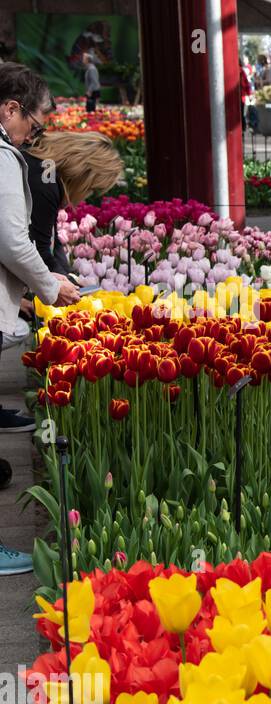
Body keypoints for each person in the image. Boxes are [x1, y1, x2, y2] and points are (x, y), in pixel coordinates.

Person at [0, 63, 80, 575]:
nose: (36, 133)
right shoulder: (3, 158)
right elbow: (10, 238)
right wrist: (51, 285)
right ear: (10, 109)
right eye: (34, 120)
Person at [24, 131, 123, 274]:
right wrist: (69, 287)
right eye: (91, 189)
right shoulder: (45, 184)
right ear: (84, 175)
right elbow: (40, 250)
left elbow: (51, 239)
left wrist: (69, 275)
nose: (86, 196)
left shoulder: (46, 172)